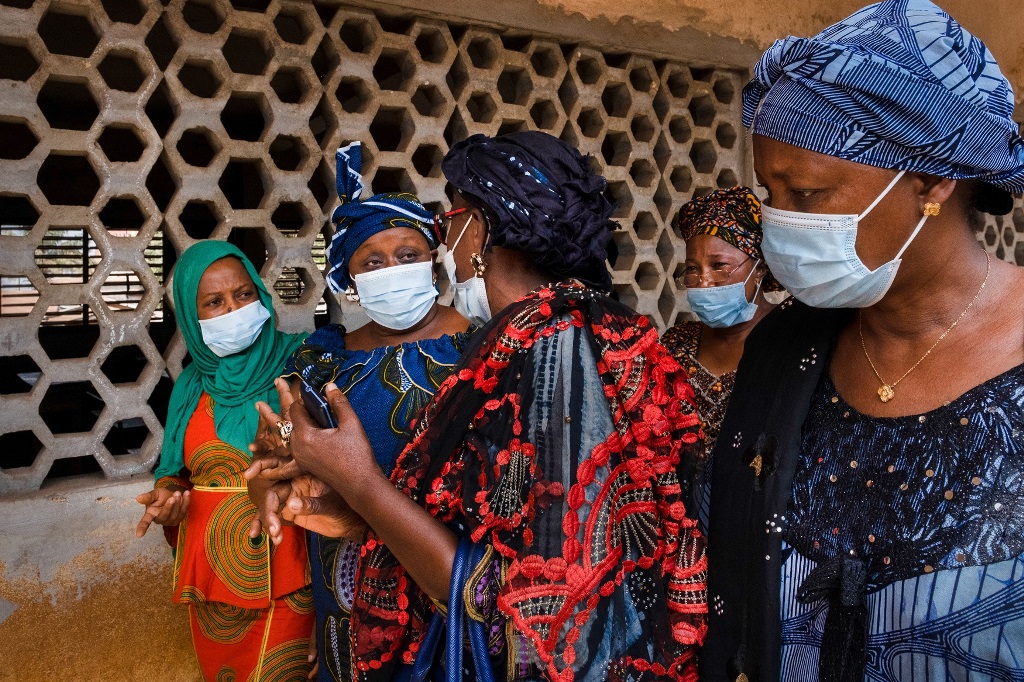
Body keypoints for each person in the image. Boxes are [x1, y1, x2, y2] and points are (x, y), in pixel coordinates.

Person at [249, 131, 708, 681]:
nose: (448, 245)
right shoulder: (580, 328)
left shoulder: (549, 354)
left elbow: (504, 597)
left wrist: (362, 482)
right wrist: (351, 512)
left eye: (452, 223)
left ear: (483, 231)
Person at [703, 1, 1024, 680]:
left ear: (933, 181)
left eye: (811, 193)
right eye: (771, 192)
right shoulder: (781, 353)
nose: (781, 221)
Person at [261, 141, 471, 682]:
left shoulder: (481, 347)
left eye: (407, 255)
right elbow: (285, 442)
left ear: (432, 259)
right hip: (346, 590)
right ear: (350, 278)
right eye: (371, 262)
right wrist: (280, 449)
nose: (392, 270)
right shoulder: (320, 358)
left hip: (449, 580)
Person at [134, 241, 312, 681]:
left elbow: (337, 460)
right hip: (212, 576)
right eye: (214, 302)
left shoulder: (305, 362)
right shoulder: (192, 384)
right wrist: (169, 499)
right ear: (192, 322)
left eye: (243, 294)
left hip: (291, 567)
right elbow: (174, 474)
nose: (233, 309)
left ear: (261, 293)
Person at [661, 187, 779, 528]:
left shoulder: (793, 341)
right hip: (683, 526)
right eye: (693, 269)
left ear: (759, 267)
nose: (704, 282)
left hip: (759, 525)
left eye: (719, 266)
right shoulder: (677, 343)